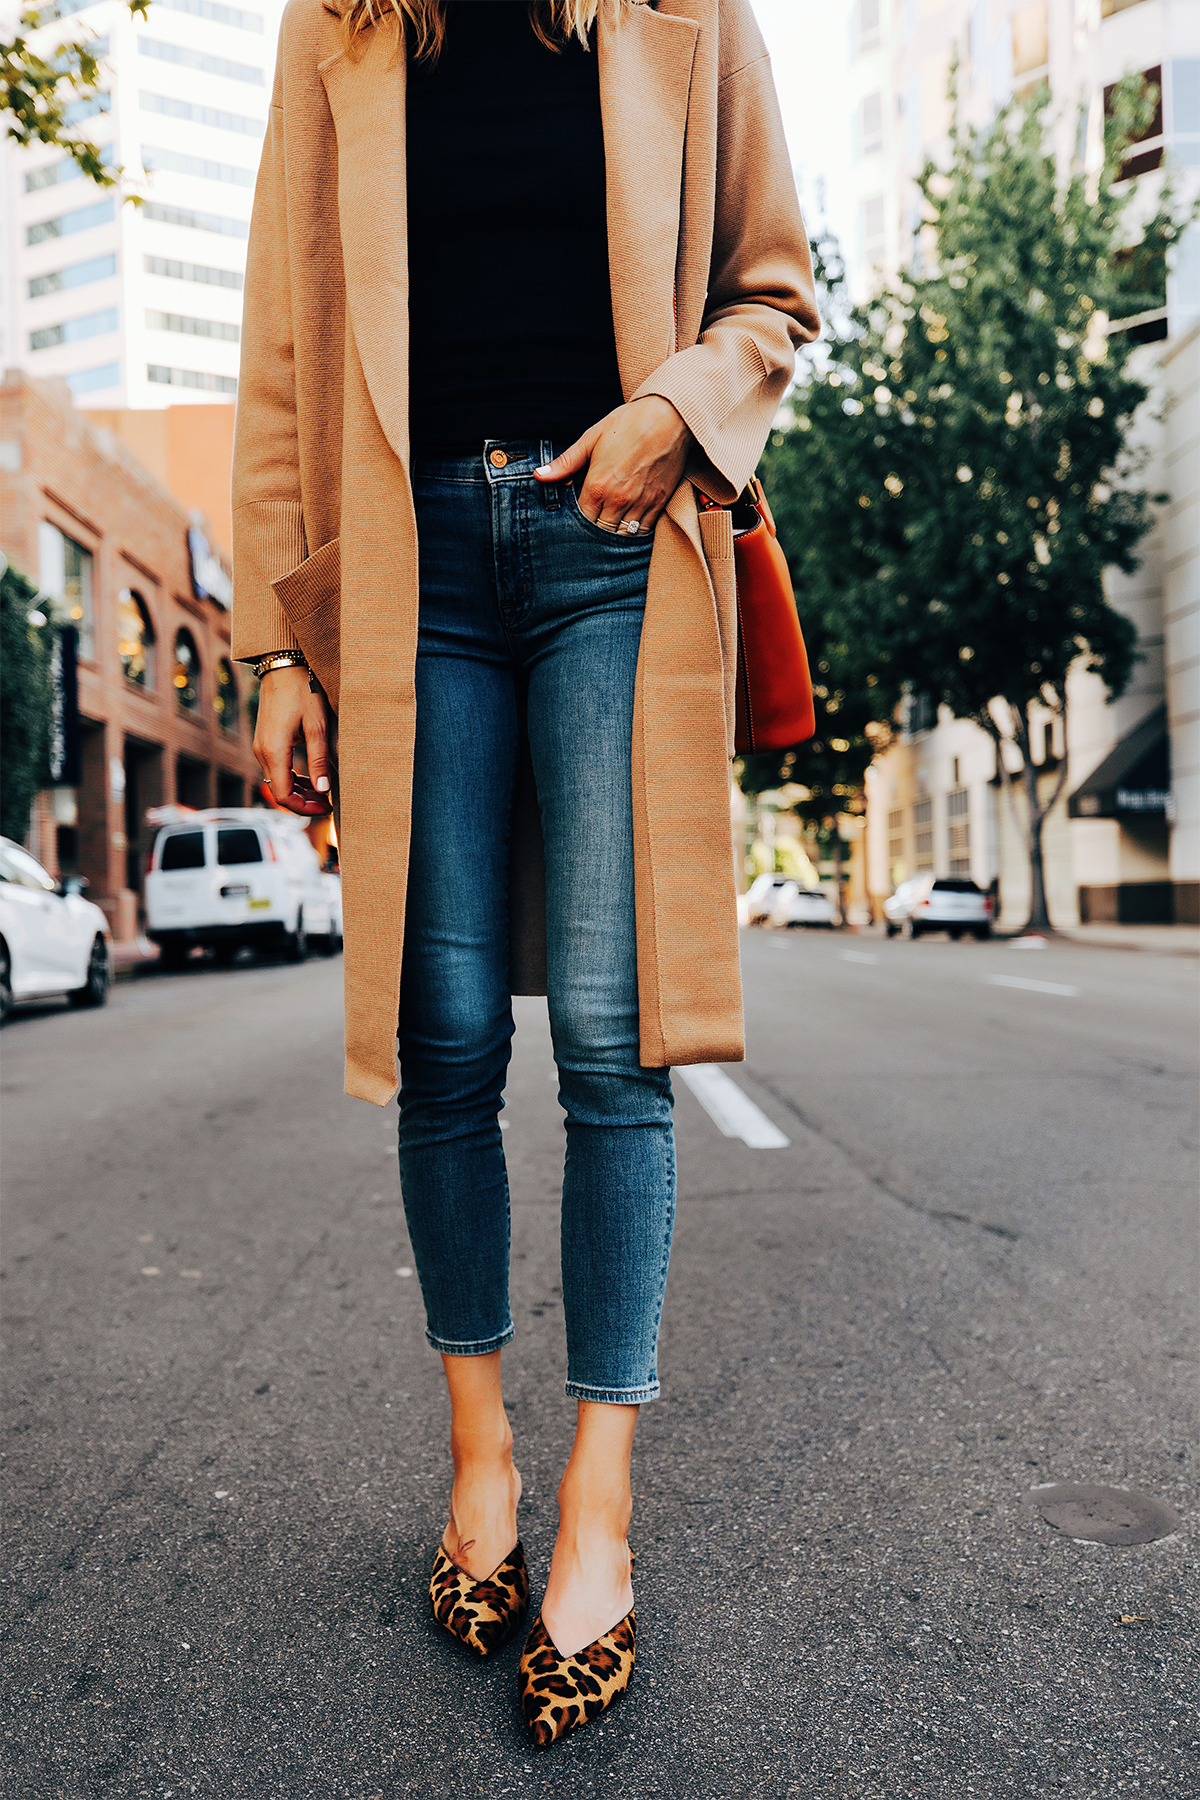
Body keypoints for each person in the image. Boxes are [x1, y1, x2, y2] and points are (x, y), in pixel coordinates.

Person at [232, 0, 817, 1748]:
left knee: (613, 1046)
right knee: (448, 1033)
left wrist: (668, 414)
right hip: (408, 571)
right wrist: (276, 645)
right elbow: (283, 345)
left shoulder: (682, 17)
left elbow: (774, 289)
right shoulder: (336, 28)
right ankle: (484, 1466)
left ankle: (597, 1517)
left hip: (612, 550)